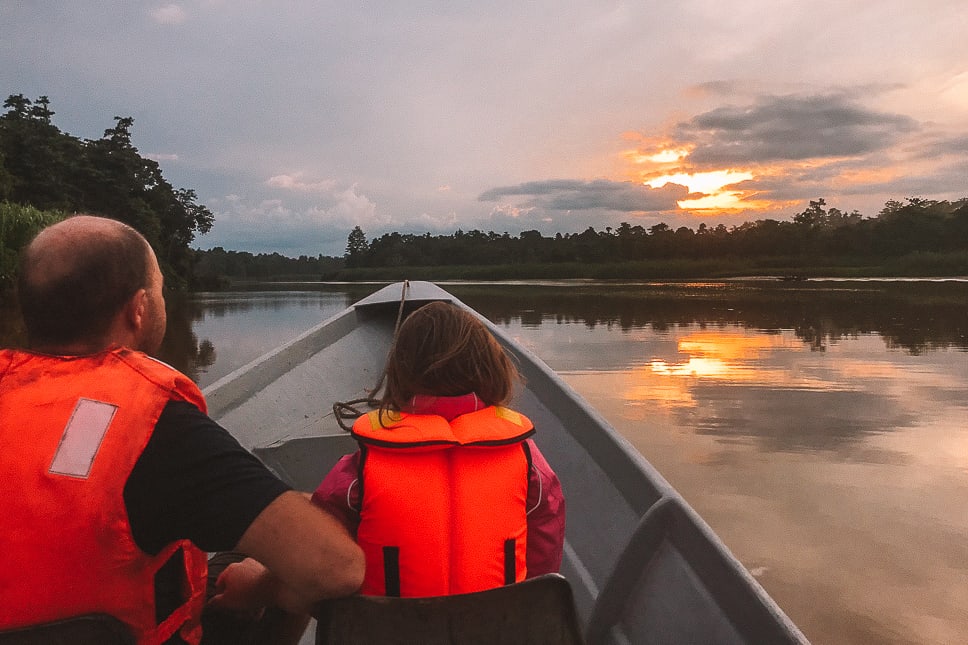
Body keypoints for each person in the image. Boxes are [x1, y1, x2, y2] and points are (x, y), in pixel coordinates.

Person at [0, 215, 364, 644]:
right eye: (159, 291)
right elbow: (337, 569)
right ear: (139, 310)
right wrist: (262, 585)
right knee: (298, 558)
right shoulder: (154, 425)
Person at [312, 300, 565, 598]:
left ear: (400, 373)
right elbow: (543, 558)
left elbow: (322, 559)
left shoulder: (358, 470)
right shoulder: (528, 461)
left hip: (386, 631)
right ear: (490, 368)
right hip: (497, 629)